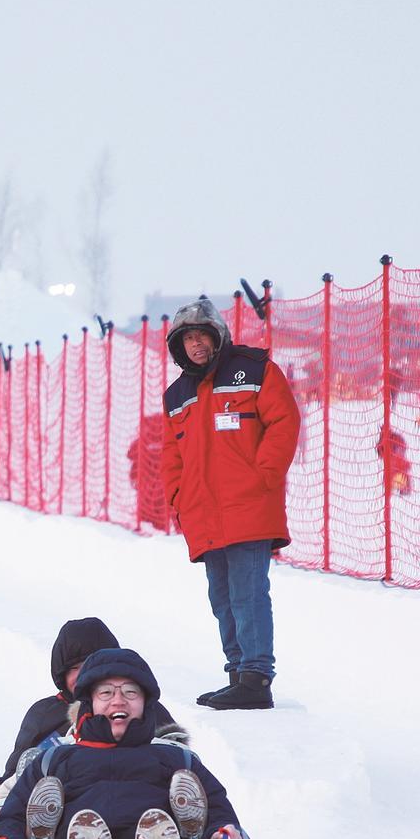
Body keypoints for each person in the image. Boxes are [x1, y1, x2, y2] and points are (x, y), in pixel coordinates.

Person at [0, 648, 245, 839]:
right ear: (89, 703)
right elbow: (14, 812)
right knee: (77, 837)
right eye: (106, 693)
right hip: (77, 836)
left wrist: (219, 831)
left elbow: (215, 802)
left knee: (151, 835)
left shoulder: (174, 758)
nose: (119, 701)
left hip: (148, 832)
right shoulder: (56, 759)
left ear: (146, 703)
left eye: (131, 693)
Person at [159, 297, 301, 710]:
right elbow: (171, 454)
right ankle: (238, 673)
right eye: (188, 339)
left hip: (248, 506)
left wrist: (263, 477)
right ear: (179, 347)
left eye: (202, 335)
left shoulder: (254, 370)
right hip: (203, 513)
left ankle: (256, 677)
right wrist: (178, 497)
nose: (196, 344)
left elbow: (284, 422)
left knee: (247, 593)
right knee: (221, 597)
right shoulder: (177, 395)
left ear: (217, 336)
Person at [0, 617, 119, 806]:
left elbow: (159, 743)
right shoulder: (45, 713)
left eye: (91, 665)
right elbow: (20, 767)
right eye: (74, 668)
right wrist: (0, 784)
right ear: (62, 673)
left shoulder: (135, 707)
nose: (83, 674)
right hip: (59, 801)